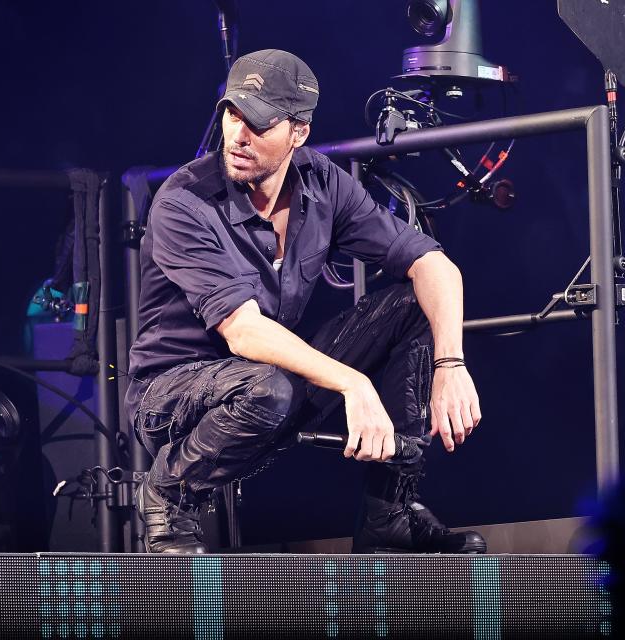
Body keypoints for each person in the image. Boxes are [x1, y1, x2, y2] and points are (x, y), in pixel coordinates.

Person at [125, 49, 484, 555]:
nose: (238, 134)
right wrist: (353, 383)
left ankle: (390, 512)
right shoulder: (184, 202)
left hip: (270, 380)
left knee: (414, 304)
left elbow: (434, 265)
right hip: (172, 395)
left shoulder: (322, 184)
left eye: (258, 122)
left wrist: (452, 362)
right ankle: (169, 493)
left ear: (298, 132)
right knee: (269, 387)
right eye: (232, 113)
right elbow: (243, 331)